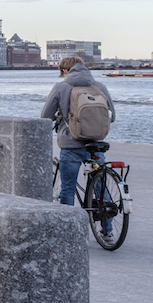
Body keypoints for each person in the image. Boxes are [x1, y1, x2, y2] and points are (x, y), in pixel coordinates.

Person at [39, 54, 116, 208]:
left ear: (66, 70)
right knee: (101, 187)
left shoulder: (61, 87)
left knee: (68, 189)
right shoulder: (100, 86)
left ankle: (66, 228)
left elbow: (45, 116)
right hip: (95, 145)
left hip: (70, 145)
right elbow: (111, 116)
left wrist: (60, 116)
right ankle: (107, 230)